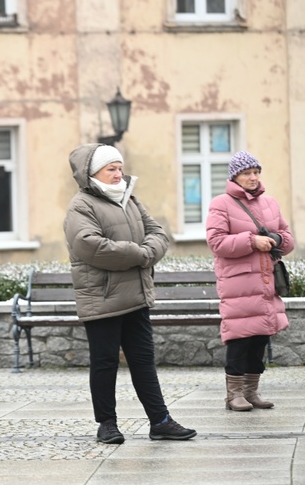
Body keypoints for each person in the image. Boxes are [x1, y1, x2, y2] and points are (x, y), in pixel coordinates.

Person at [64, 143, 197, 444]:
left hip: (135, 297)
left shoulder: (129, 199)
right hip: (103, 299)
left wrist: (147, 251)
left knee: (143, 360)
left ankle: (160, 421)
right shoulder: (81, 206)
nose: (118, 173)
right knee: (105, 362)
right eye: (111, 168)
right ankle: (107, 425)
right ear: (93, 172)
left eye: (120, 167)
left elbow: (158, 233)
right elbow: (91, 246)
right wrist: (141, 254)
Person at [206, 150, 295, 411]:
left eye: (256, 172)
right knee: (240, 337)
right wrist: (251, 241)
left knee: (260, 337)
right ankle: (233, 395)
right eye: (247, 173)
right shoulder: (221, 203)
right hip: (239, 285)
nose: (253, 177)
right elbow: (216, 242)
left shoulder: (270, 203)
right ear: (235, 177)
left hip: (266, 283)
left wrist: (276, 240)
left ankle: (251, 391)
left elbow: (287, 238)